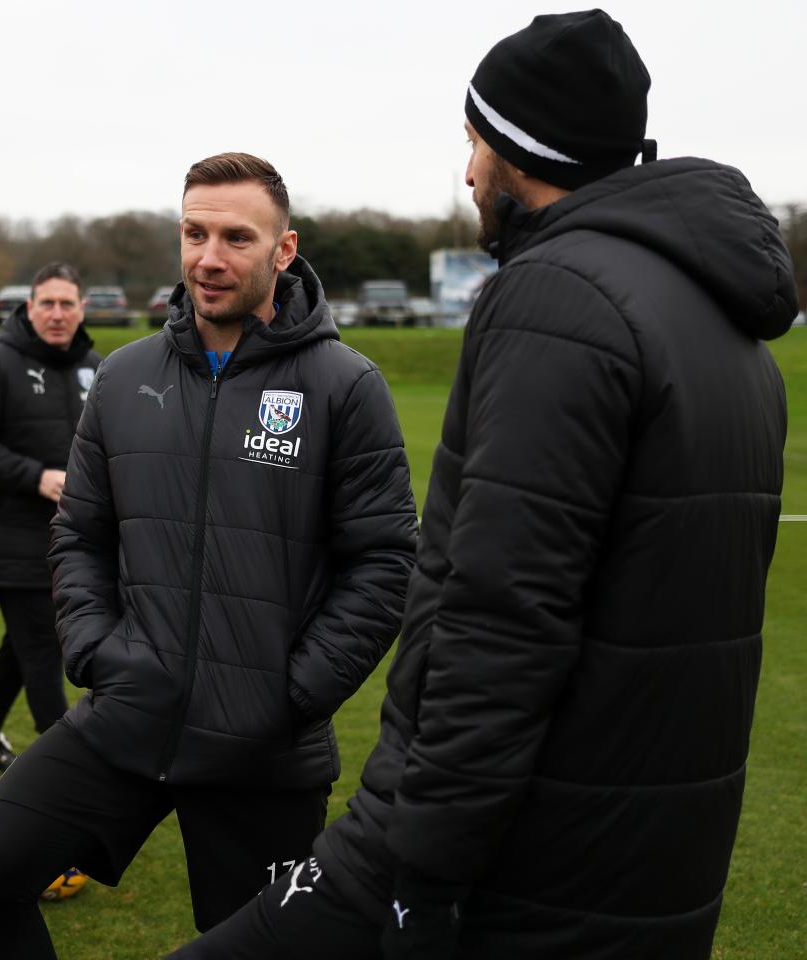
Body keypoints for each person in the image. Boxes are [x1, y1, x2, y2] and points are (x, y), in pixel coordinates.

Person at [168, 11, 799, 960]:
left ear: (520, 149)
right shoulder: (728, 323)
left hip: (525, 854)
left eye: (474, 142)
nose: (468, 173)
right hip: (656, 854)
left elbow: (501, 619)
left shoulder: (559, 296)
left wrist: (424, 873)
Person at [0, 152, 418, 959]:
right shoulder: (124, 377)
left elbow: (384, 562)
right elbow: (80, 532)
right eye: (195, 233)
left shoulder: (345, 385)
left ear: (284, 249)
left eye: (237, 237)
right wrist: (96, 649)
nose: (209, 257)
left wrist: (292, 691)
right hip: (130, 711)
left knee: (255, 948)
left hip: (261, 745)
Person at [0, 261, 102, 771]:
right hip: (12, 537)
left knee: (24, 642)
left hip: (76, 537)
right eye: (48, 304)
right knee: (42, 647)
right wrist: (36, 477)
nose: (57, 314)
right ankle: (68, 772)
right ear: (29, 308)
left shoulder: (96, 367)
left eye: (67, 304)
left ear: (82, 309)